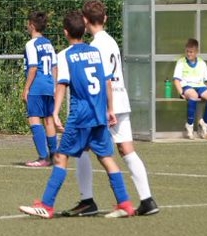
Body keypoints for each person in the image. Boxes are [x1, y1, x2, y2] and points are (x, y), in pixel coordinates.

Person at [19, 11, 135, 219]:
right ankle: (125, 203)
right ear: (83, 29)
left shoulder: (65, 55)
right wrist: (110, 109)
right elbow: (107, 81)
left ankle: (46, 205)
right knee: (106, 158)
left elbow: (62, 85)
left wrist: (55, 112)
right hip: (99, 114)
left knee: (60, 156)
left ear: (66, 32)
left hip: (80, 116)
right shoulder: (95, 52)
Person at [63, 0, 158, 217]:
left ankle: (87, 200)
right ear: (105, 18)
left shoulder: (95, 46)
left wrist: (108, 107)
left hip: (105, 104)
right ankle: (147, 199)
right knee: (127, 150)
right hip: (121, 98)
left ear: (85, 21)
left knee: (83, 149)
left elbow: (102, 79)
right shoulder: (111, 41)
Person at [22, 12, 58, 167]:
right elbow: (55, 66)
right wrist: (55, 86)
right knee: (49, 120)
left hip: (37, 85)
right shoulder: (48, 43)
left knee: (34, 118)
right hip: (49, 85)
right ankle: (54, 156)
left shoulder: (31, 44)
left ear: (32, 25)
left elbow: (33, 68)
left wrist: (26, 89)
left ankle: (43, 157)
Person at [173, 38, 207, 140]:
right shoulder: (181, 62)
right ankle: (189, 126)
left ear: (196, 52)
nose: (189, 54)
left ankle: (204, 124)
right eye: (187, 51)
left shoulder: (202, 63)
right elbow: (176, 80)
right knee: (193, 95)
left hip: (200, 87)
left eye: (191, 52)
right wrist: (181, 93)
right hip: (187, 87)